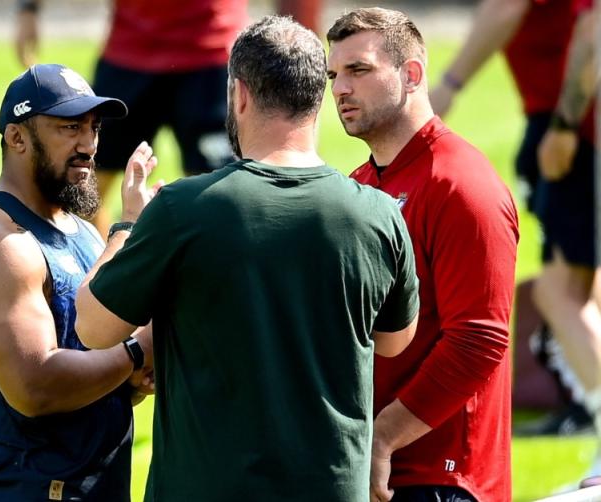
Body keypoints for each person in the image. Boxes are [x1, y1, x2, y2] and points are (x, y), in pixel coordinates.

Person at [73, 15, 420, 500]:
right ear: (317, 97)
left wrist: (128, 225)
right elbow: (394, 341)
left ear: (238, 95)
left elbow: (92, 327)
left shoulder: (181, 210)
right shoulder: (378, 213)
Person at [327, 7, 520, 501]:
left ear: (411, 74)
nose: (340, 89)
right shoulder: (360, 184)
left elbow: (478, 341)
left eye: (359, 70)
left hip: (445, 480)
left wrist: (383, 438)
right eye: (334, 75)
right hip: (380, 471)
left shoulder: (462, 185)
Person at [0, 63, 154, 501]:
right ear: (17, 137)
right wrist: (138, 351)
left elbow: (93, 379)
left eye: (93, 128)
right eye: (69, 128)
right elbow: (36, 387)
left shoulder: (78, 229)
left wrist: (133, 380)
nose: (89, 145)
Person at [429, 0, 600, 442]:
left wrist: (448, 85)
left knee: (560, 294)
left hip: (579, 124)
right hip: (574, 118)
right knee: (577, 286)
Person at [14, 0, 322, 237]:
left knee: (225, 200)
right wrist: (28, 9)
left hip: (211, 51)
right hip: (129, 49)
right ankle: (107, 280)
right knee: (79, 185)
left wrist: (302, 35)